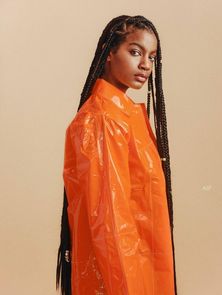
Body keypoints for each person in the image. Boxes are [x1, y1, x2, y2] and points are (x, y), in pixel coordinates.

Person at [56, 15, 178, 295]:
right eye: (135, 52)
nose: (146, 64)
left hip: (142, 271)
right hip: (120, 280)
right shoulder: (102, 120)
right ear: (109, 53)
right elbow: (109, 224)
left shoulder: (127, 116)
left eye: (152, 56)